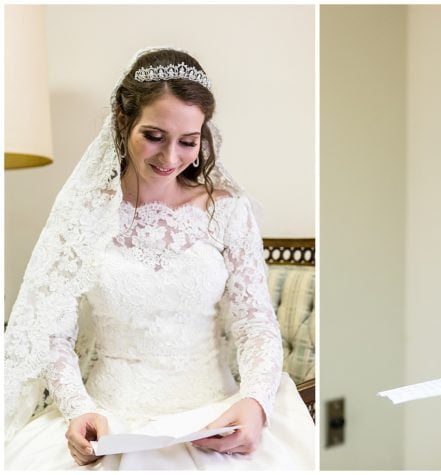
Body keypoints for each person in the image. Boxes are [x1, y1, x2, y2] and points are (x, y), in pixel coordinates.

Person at [4, 48, 315, 470]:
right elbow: (53, 332)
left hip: (213, 417)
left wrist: (256, 403)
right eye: (154, 136)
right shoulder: (83, 215)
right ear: (122, 120)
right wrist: (78, 408)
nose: (170, 158)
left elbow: (256, 323)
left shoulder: (227, 210)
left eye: (188, 142)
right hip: (107, 419)